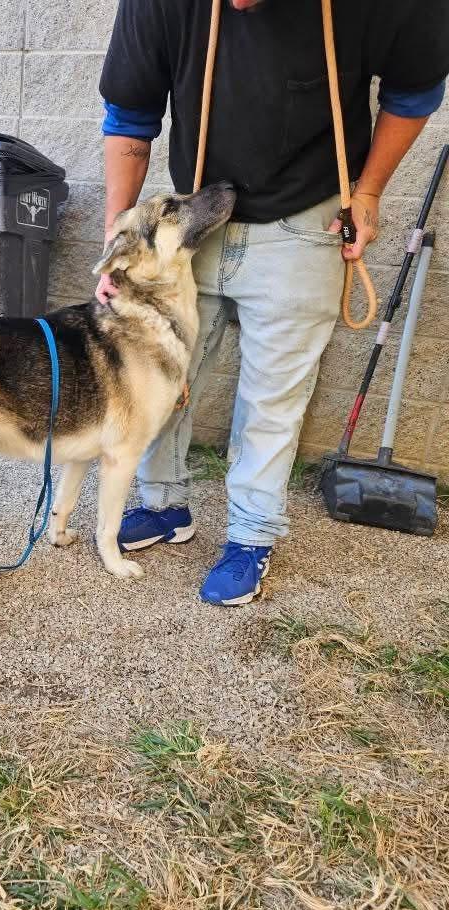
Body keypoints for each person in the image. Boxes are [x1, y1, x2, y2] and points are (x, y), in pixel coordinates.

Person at [97, 0, 448, 606]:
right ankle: (162, 505)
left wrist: (367, 193)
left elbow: (415, 91)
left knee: (272, 398)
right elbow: (130, 112)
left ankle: (252, 534)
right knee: (159, 379)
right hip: (194, 220)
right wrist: (117, 239)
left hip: (306, 220)